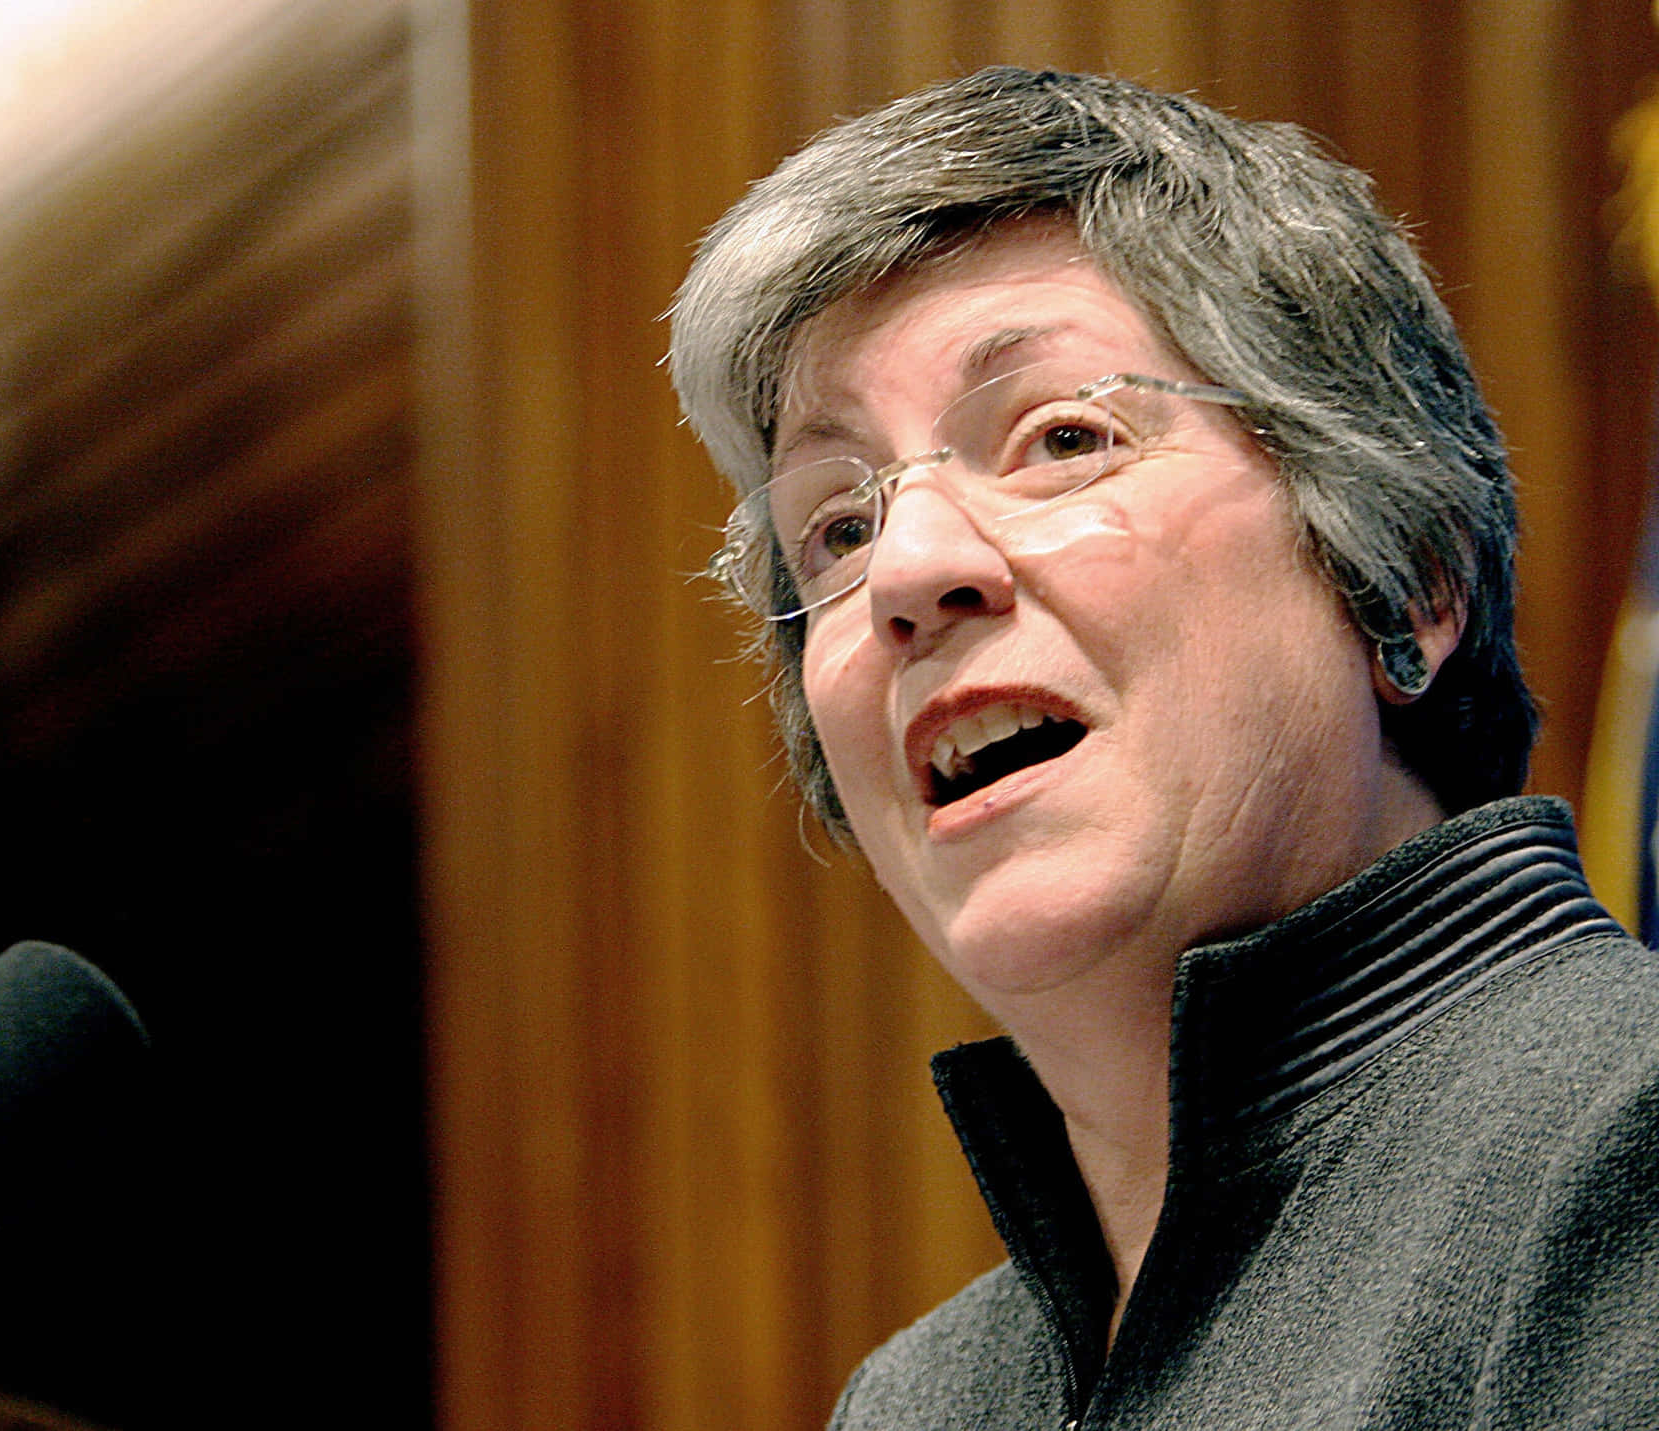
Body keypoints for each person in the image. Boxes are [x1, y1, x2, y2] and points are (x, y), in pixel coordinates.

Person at [668, 66, 1659, 1428]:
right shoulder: (919, 1404)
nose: (905, 569)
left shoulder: (1631, 1140)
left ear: (1406, 574)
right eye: (837, 528)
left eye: (1061, 436)